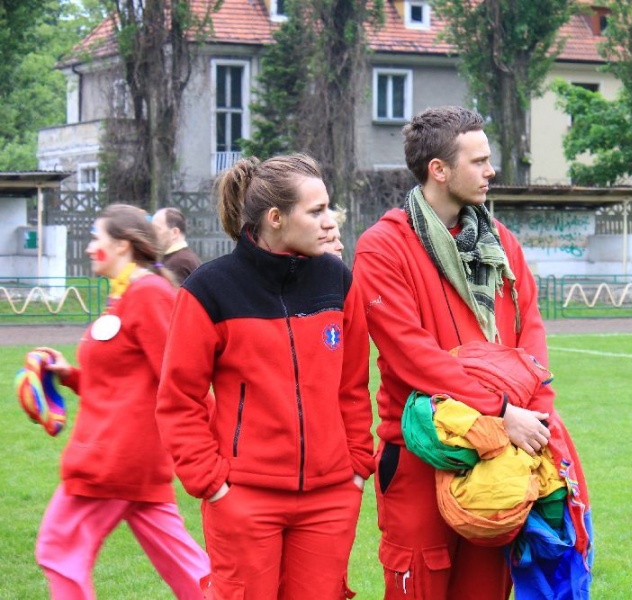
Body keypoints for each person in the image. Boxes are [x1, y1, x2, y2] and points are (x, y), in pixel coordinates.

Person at [353, 106, 592, 599]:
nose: (491, 171)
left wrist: (535, 420)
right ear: (438, 170)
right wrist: (502, 411)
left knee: (487, 587)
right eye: (479, 161)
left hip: (502, 453)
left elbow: (532, 337)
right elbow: (412, 356)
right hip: (422, 454)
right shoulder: (382, 248)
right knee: (418, 585)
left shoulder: (501, 242)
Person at [155, 154, 375, 599]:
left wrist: (355, 468)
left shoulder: (339, 281)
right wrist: (212, 484)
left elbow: (352, 388)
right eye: (316, 211)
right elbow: (180, 400)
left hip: (331, 498)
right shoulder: (208, 290)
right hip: (243, 498)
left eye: (327, 208)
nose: (329, 222)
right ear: (276, 218)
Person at [32, 203, 210, 599]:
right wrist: (69, 375)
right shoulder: (126, 296)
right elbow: (121, 378)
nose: (89, 247)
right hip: (131, 462)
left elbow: (180, 376)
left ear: (123, 246)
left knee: (58, 549)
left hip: (114, 462)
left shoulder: (148, 293)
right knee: (187, 568)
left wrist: (218, 442)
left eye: (97, 238)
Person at [151, 207, 202, 284]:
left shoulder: (180, 263)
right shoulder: (183, 258)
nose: (152, 233)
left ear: (175, 232)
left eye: (156, 229)